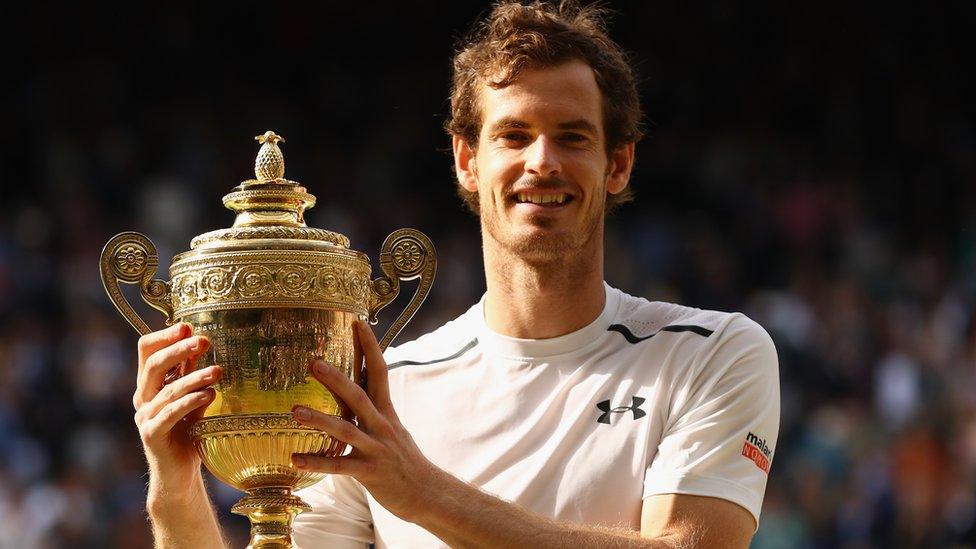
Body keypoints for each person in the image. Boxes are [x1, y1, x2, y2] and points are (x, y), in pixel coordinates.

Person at [132, 2, 780, 547]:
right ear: (468, 160)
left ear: (619, 164)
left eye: (574, 136)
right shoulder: (387, 395)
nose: (543, 161)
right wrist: (175, 486)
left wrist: (423, 492)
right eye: (515, 135)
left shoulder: (713, 352)